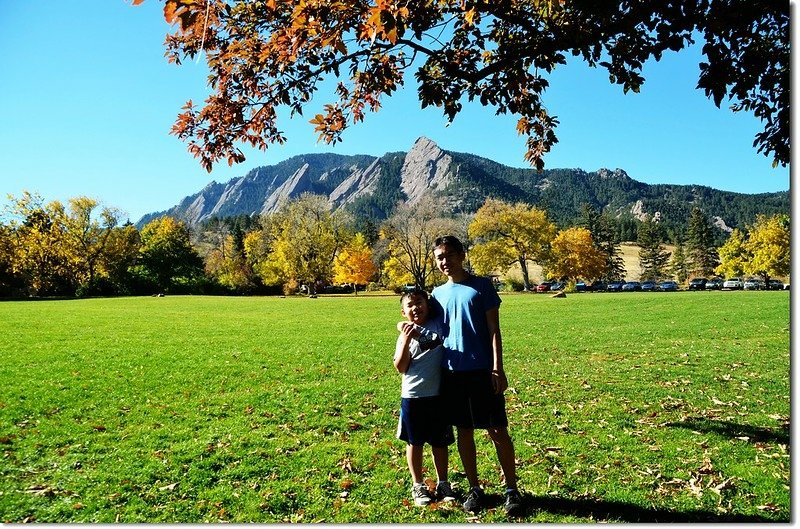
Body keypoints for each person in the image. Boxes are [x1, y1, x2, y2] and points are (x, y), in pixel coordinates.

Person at [430, 235, 523, 517]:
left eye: (448, 255)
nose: (445, 262)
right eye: (439, 258)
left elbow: (494, 331)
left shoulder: (482, 287)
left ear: (462, 255)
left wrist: (498, 368)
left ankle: (511, 489)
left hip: (482, 371)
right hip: (452, 373)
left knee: (497, 431)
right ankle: (474, 488)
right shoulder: (436, 294)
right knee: (464, 431)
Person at [393, 289, 458, 506]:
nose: (415, 308)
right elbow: (400, 367)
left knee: (440, 442)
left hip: (439, 394)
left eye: (419, 302)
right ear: (403, 312)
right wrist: (405, 337)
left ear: (428, 305)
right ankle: (418, 485)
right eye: (410, 305)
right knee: (415, 441)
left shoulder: (438, 323)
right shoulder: (405, 333)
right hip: (413, 395)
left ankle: (443, 483)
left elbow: (439, 341)